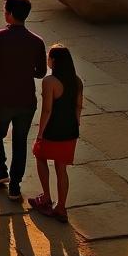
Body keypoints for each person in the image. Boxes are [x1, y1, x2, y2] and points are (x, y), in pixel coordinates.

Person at [0, 0, 48, 202]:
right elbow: (40, 72)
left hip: (3, 98)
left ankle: (1, 169)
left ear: (9, 13)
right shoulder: (37, 41)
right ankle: (15, 187)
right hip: (26, 100)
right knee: (20, 141)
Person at [29, 44, 83, 223]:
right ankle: (61, 207)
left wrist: (40, 133)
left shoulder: (49, 82)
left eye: (49, 57)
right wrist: (76, 127)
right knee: (62, 168)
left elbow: (47, 111)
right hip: (70, 130)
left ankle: (46, 197)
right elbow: (78, 108)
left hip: (53, 129)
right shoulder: (77, 81)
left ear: (54, 61)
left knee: (40, 156)